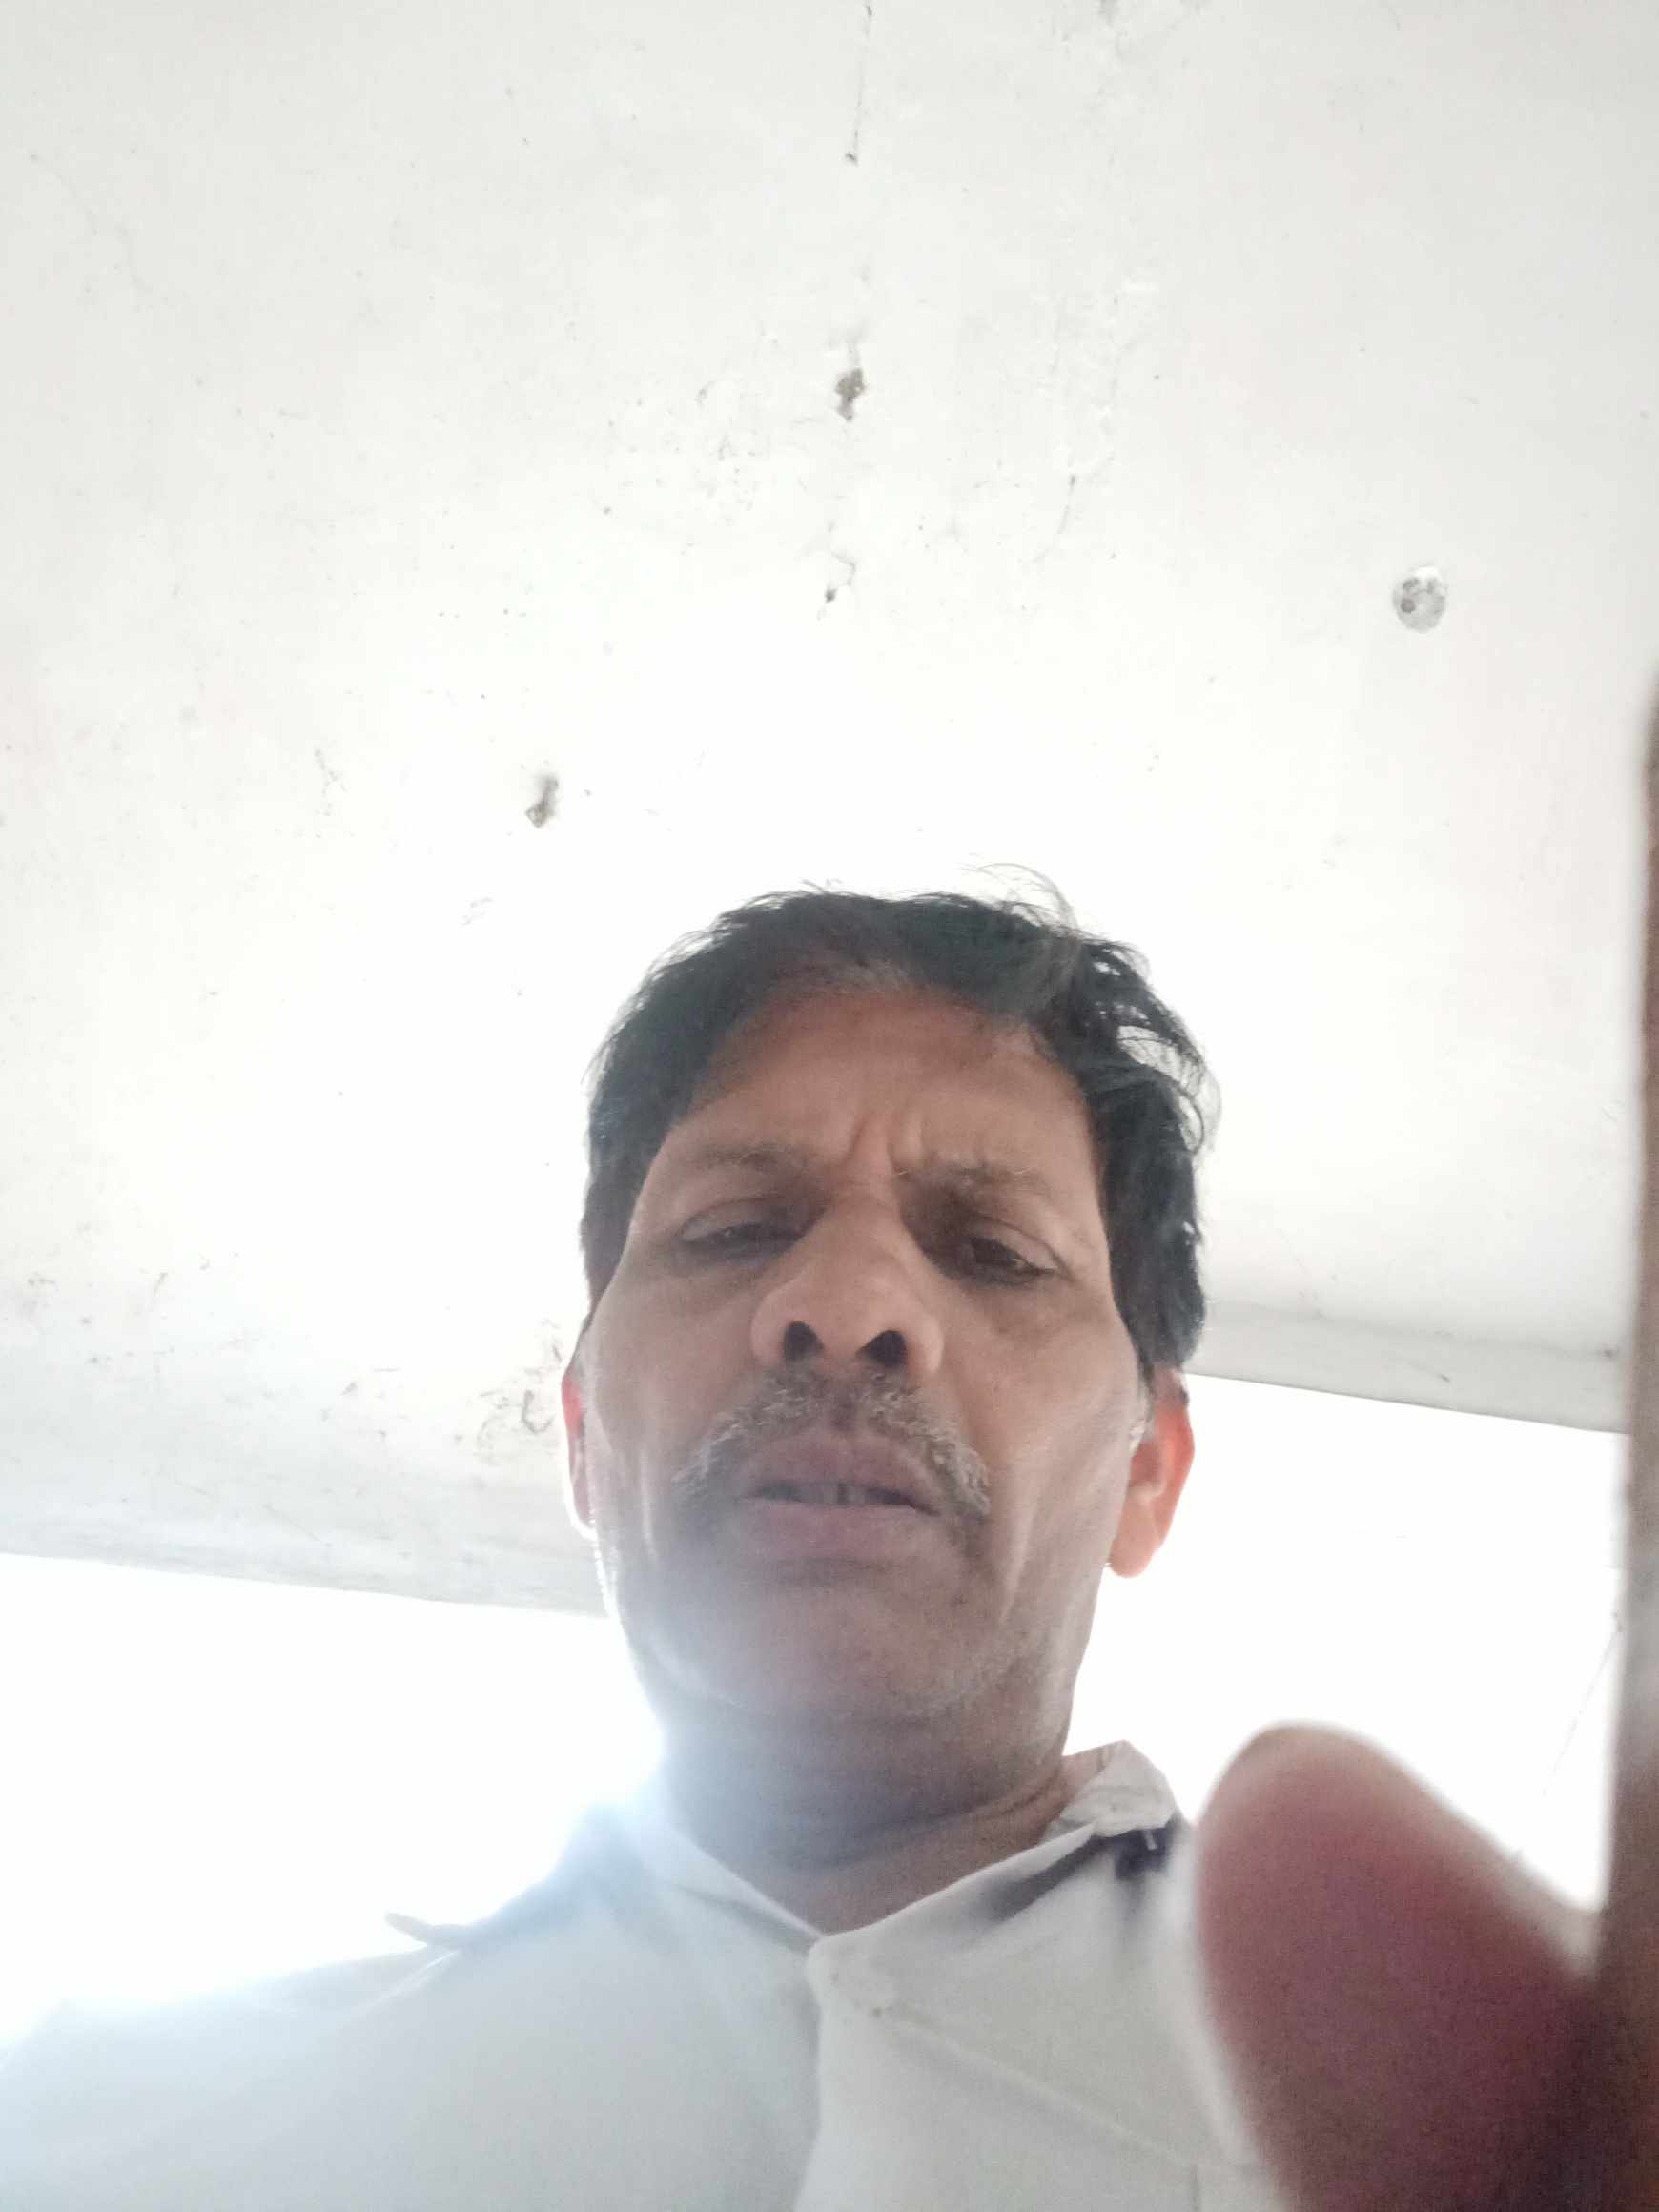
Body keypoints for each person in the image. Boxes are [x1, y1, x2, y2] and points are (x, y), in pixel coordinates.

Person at [1, 849, 1651, 2210]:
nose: (848, 1303)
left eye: (992, 1253)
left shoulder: (1513, 2119)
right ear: (584, 1440)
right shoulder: (104, 2129)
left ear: (1150, 1472)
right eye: (734, 1228)